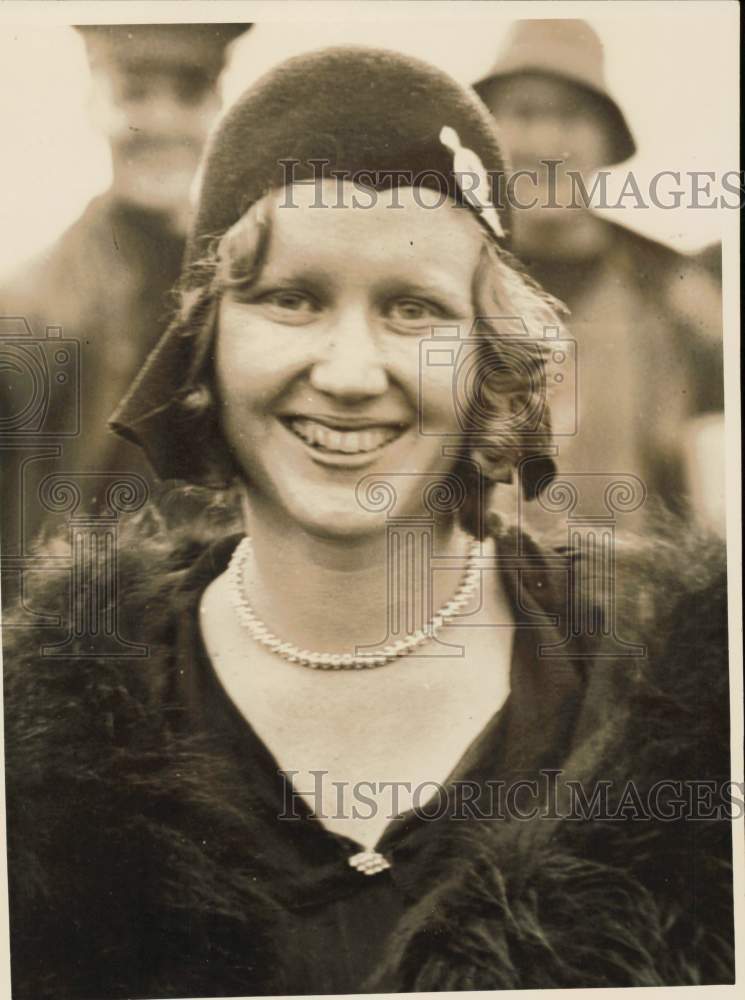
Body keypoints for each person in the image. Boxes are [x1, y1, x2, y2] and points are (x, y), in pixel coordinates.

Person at [3, 48, 733, 999]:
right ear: (203, 343)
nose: (350, 374)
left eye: (414, 308)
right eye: (290, 299)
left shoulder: (683, 690)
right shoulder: (41, 734)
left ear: (490, 354)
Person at [0, 23, 250, 595]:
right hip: (60, 641)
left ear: (216, 107)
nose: (160, 122)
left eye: (187, 93)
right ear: (95, 103)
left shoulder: (249, 298)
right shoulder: (20, 308)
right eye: (135, 93)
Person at [473, 19, 724, 529]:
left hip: (627, 590)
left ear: (606, 142)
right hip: (466, 589)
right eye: (522, 113)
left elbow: (716, 481)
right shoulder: (449, 269)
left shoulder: (674, 291)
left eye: (569, 118)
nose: (544, 141)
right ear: (489, 131)